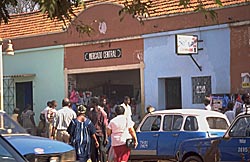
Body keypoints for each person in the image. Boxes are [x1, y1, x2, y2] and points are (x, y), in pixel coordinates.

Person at [88, 97, 108, 162]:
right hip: (93, 134)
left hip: (100, 134)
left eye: (91, 102)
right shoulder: (91, 112)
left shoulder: (102, 113)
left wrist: (106, 137)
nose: (90, 103)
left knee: (102, 151)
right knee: (93, 152)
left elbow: (104, 125)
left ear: (94, 103)